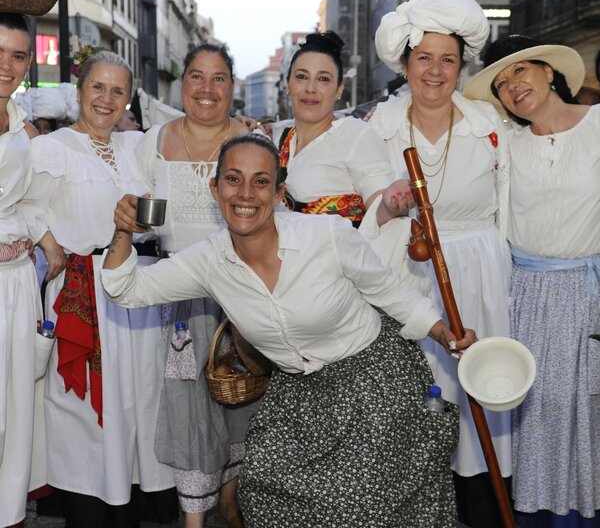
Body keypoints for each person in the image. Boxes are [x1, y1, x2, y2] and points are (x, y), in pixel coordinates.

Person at [101, 132, 478, 527]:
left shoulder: (326, 234)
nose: (246, 194)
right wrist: (124, 230)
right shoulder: (208, 261)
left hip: (372, 377)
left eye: (261, 181)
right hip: (298, 391)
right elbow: (123, 288)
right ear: (215, 189)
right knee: (261, 490)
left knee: (353, 503)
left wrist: (444, 333)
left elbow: (391, 293)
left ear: (279, 193)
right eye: (233, 179)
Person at [366, 0, 512, 528]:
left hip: (479, 277)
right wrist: (387, 207)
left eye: (447, 59)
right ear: (405, 64)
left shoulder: (489, 126)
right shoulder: (376, 126)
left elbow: (509, 207)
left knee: (478, 398)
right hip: (405, 276)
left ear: (461, 65)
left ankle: (482, 510)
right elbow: (364, 217)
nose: (434, 70)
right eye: (423, 57)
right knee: (415, 403)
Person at [25, 50, 177, 528]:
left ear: (128, 98)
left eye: (117, 90)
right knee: (82, 411)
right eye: (97, 87)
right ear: (79, 92)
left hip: (138, 289)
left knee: (138, 401)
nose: (106, 99)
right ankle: (86, 508)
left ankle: (131, 501)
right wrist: (50, 244)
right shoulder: (51, 148)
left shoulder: (137, 146)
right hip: (83, 290)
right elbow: (22, 203)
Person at [464, 34, 598, 528]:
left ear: (548, 71)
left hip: (588, 297)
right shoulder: (506, 144)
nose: (512, 86)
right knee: (530, 414)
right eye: (501, 83)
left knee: (584, 414)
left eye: (520, 70)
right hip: (524, 298)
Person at [135, 43, 248, 528]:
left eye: (218, 78)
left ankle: (229, 500)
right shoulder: (155, 141)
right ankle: (193, 517)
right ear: (182, 84)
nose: (207, 88)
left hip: (238, 291)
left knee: (240, 397)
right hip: (175, 294)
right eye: (197, 76)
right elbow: (139, 213)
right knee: (188, 404)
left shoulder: (249, 140)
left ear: (232, 87)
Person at [280, 31, 409, 229]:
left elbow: (379, 201)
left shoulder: (356, 135)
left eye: (323, 79)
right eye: (302, 77)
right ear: (288, 84)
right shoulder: (280, 140)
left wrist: (391, 205)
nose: (310, 88)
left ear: (339, 90)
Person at [0, 13, 45, 528]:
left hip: (16, 284)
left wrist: (45, 242)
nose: (7, 66)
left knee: (15, 412)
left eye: (17, 55)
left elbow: (33, 201)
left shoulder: (24, 130)